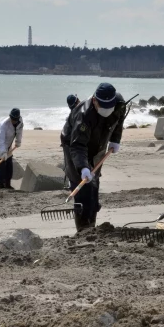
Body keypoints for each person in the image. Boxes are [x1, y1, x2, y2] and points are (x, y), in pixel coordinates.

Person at [60, 83, 127, 231]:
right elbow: (77, 146)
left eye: (109, 107)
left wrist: (116, 139)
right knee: (82, 182)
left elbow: (119, 120)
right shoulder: (83, 114)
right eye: (103, 106)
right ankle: (83, 227)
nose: (106, 110)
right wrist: (83, 167)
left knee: (94, 180)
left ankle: (93, 219)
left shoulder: (119, 104)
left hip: (99, 144)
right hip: (73, 144)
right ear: (95, 100)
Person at [0, 108, 24, 190]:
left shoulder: (20, 121)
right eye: (12, 119)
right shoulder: (4, 125)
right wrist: (2, 153)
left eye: (15, 119)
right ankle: (0, 186)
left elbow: (19, 131)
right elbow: (0, 140)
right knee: (1, 166)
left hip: (9, 145)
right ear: (10, 117)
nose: (13, 121)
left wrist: (18, 141)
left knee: (9, 165)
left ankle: (8, 184)